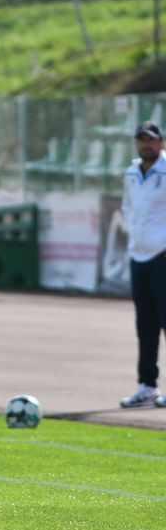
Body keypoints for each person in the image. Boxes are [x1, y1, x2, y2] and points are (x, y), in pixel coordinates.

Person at [119, 120, 166, 408]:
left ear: (161, 143)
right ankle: (147, 385)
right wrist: (134, 238)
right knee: (145, 325)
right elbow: (127, 207)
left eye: (151, 139)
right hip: (139, 257)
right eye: (141, 139)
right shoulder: (131, 172)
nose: (146, 144)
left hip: (162, 256)